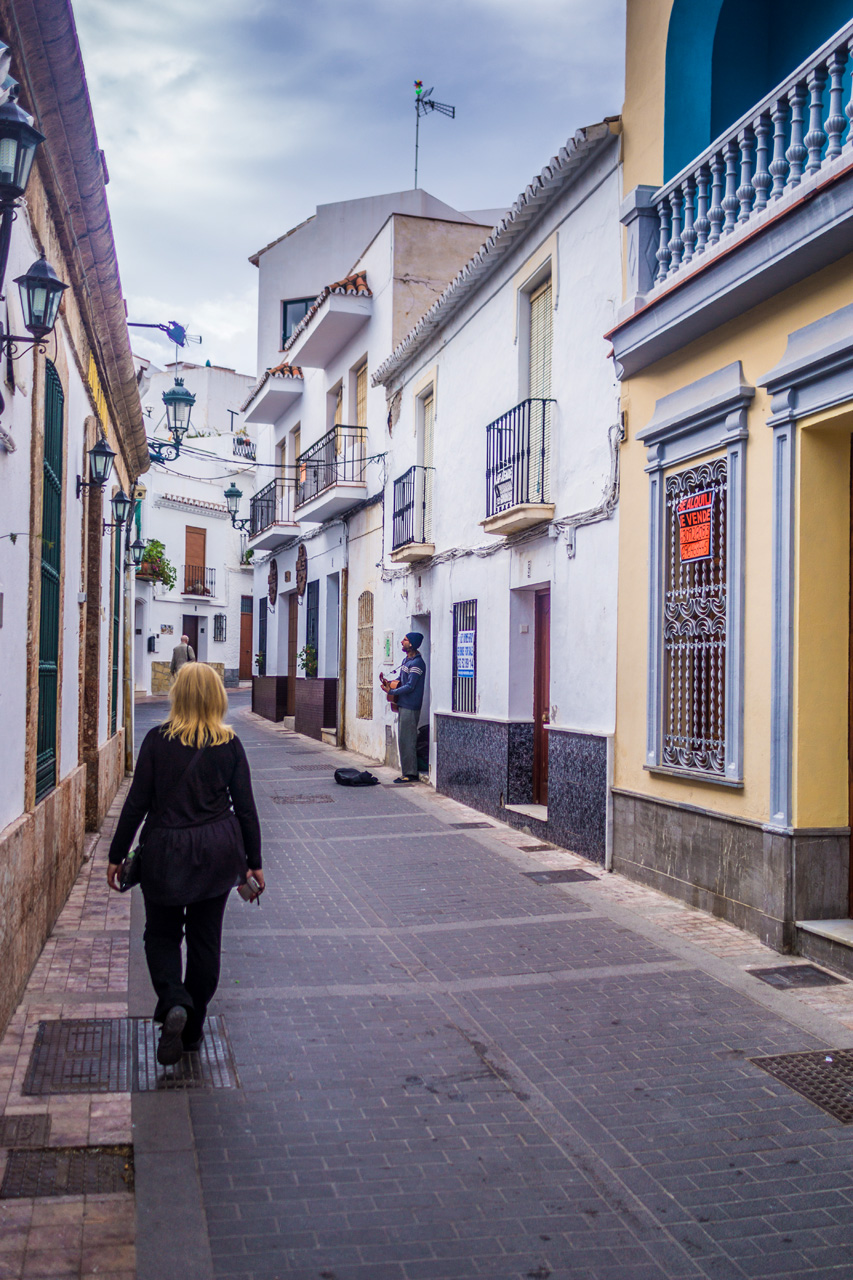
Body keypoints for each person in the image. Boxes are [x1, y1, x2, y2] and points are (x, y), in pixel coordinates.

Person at [107, 662, 264, 1065]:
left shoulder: (156, 741)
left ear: (178, 695)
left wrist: (116, 854)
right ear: (217, 697)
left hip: (165, 853)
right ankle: (192, 1030)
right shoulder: (229, 744)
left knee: (161, 935)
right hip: (216, 855)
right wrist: (254, 863)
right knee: (205, 941)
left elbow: (136, 803)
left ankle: (174, 1000)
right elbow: (246, 810)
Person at [380, 631, 426, 783]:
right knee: (403, 739)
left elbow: (411, 686)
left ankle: (410, 773)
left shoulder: (417, 663)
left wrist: (392, 691)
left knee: (407, 740)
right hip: (403, 704)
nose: (402, 642)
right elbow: (401, 679)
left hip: (410, 706)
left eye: (405, 640)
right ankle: (407, 771)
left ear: (411, 644)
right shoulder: (407, 660)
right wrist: (390, 683)